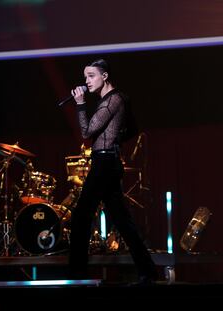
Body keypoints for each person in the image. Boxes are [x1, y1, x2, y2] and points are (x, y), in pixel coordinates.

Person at [68, 58, 158, 284]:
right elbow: (132, 128)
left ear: (104, 76)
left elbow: (87, 131)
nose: (86, 81)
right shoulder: (116, 99)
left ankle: (76, 273)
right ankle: (148, 270)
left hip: (105, 163)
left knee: (81, 215)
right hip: (107, 161)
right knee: (122, 219)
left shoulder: (112, 100)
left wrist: (79, 104)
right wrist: (115, 137)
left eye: (91, 76)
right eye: (85, 77)